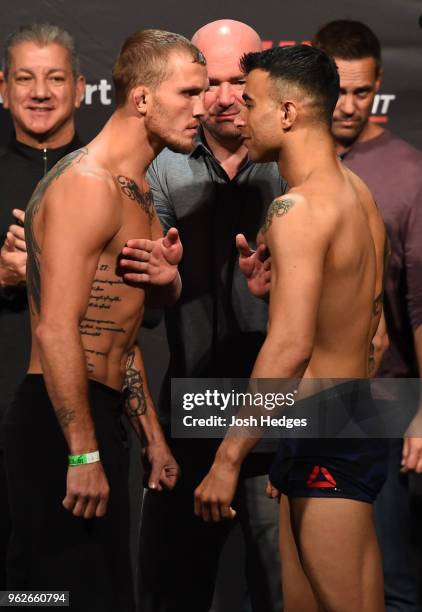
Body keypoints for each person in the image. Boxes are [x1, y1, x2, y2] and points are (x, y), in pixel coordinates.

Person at [2, 29, 208, 611]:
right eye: (188, 93)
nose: (202, 109)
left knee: (102, 596)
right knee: (48, 597)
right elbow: (56, 328)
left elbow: (116, 328)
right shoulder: (87, 186)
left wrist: (153, 439)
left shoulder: (137, 190)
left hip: (99, 413)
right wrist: (82, 453)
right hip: (58, 421)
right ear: (142, 99)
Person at [194, 44, 389, 612]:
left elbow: (290, 346)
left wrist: (228, 461)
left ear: (287, 113)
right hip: (344, 420)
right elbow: (365, 329)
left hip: (326, 429)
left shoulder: (296, 209)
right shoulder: (357, 193)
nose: (237, 114)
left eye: (250, 101)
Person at [119, 19, 285, 612]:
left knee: (284, 590)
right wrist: (164, 286)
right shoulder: (161, 169)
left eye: (238, 78)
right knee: (171, 592)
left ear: (261, 73)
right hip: (190, 410)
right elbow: (142, 314)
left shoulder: (293, 165)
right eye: (206, 82)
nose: (222, 96)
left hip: (280, 416)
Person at [313, 20, 422, 611]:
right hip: (298, 400)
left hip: (380, 406)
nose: (349, 106)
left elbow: (420, 303)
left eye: (362, 92)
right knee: (304, 582)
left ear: (379, 83)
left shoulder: (407, 173)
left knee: (389, 582)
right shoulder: (287, 161)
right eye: (338, 91)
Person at [0, 23, 86, 589]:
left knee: (72, 578)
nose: (40, 92)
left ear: (80, 88)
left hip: (84, 415)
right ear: (3, 88)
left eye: (54, 78)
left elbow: (145, 313)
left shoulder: (108, 174)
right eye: (26, 79)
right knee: (18, 579)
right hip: (5, 401)